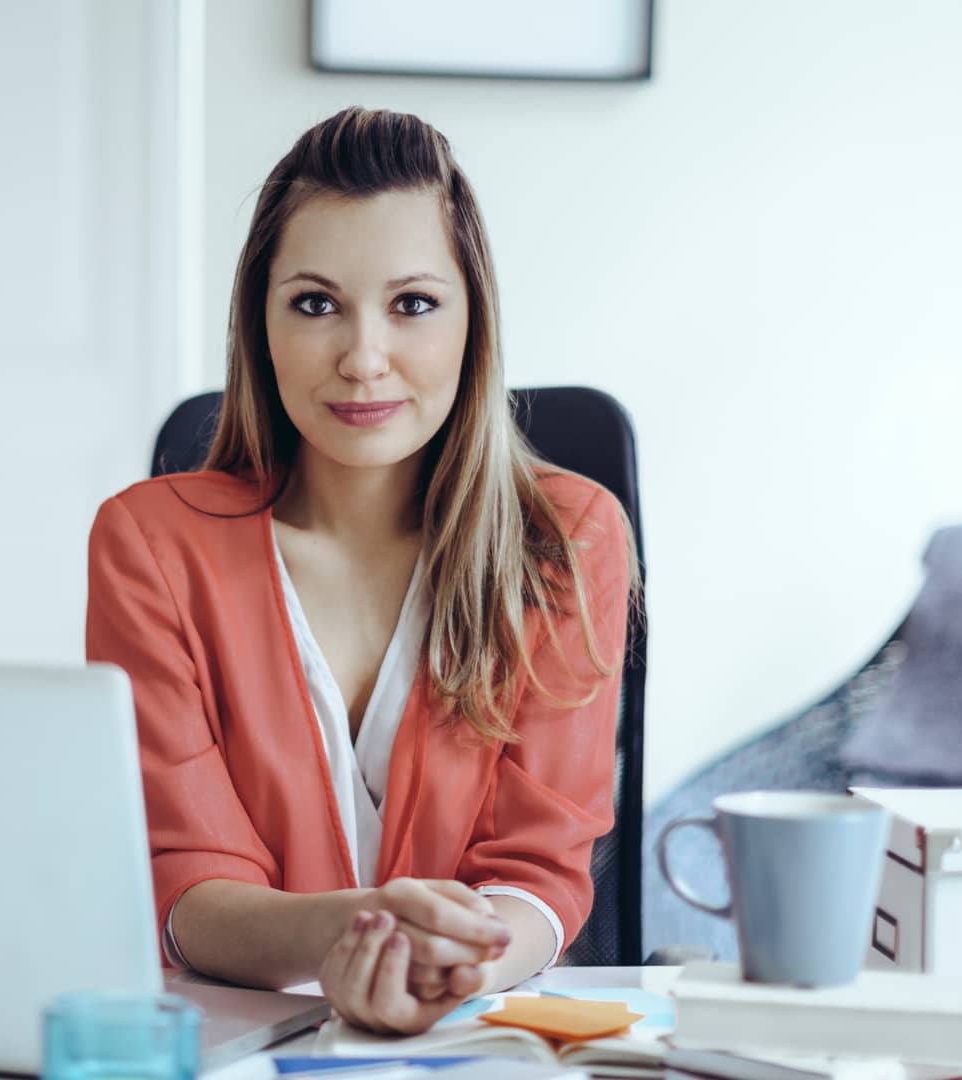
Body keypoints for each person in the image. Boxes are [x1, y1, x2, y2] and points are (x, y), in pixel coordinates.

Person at [85, 106, 633, 1035]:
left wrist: (449, 967)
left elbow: (538, 876)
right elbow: (186, 888)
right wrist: (361, 931)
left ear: (473, 321)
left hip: (478, 1036)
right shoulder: (150, 545)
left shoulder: (569, 537)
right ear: (261, 322)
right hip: (235, 1045)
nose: (362, 358)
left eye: (413, 304)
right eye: (315, 303)